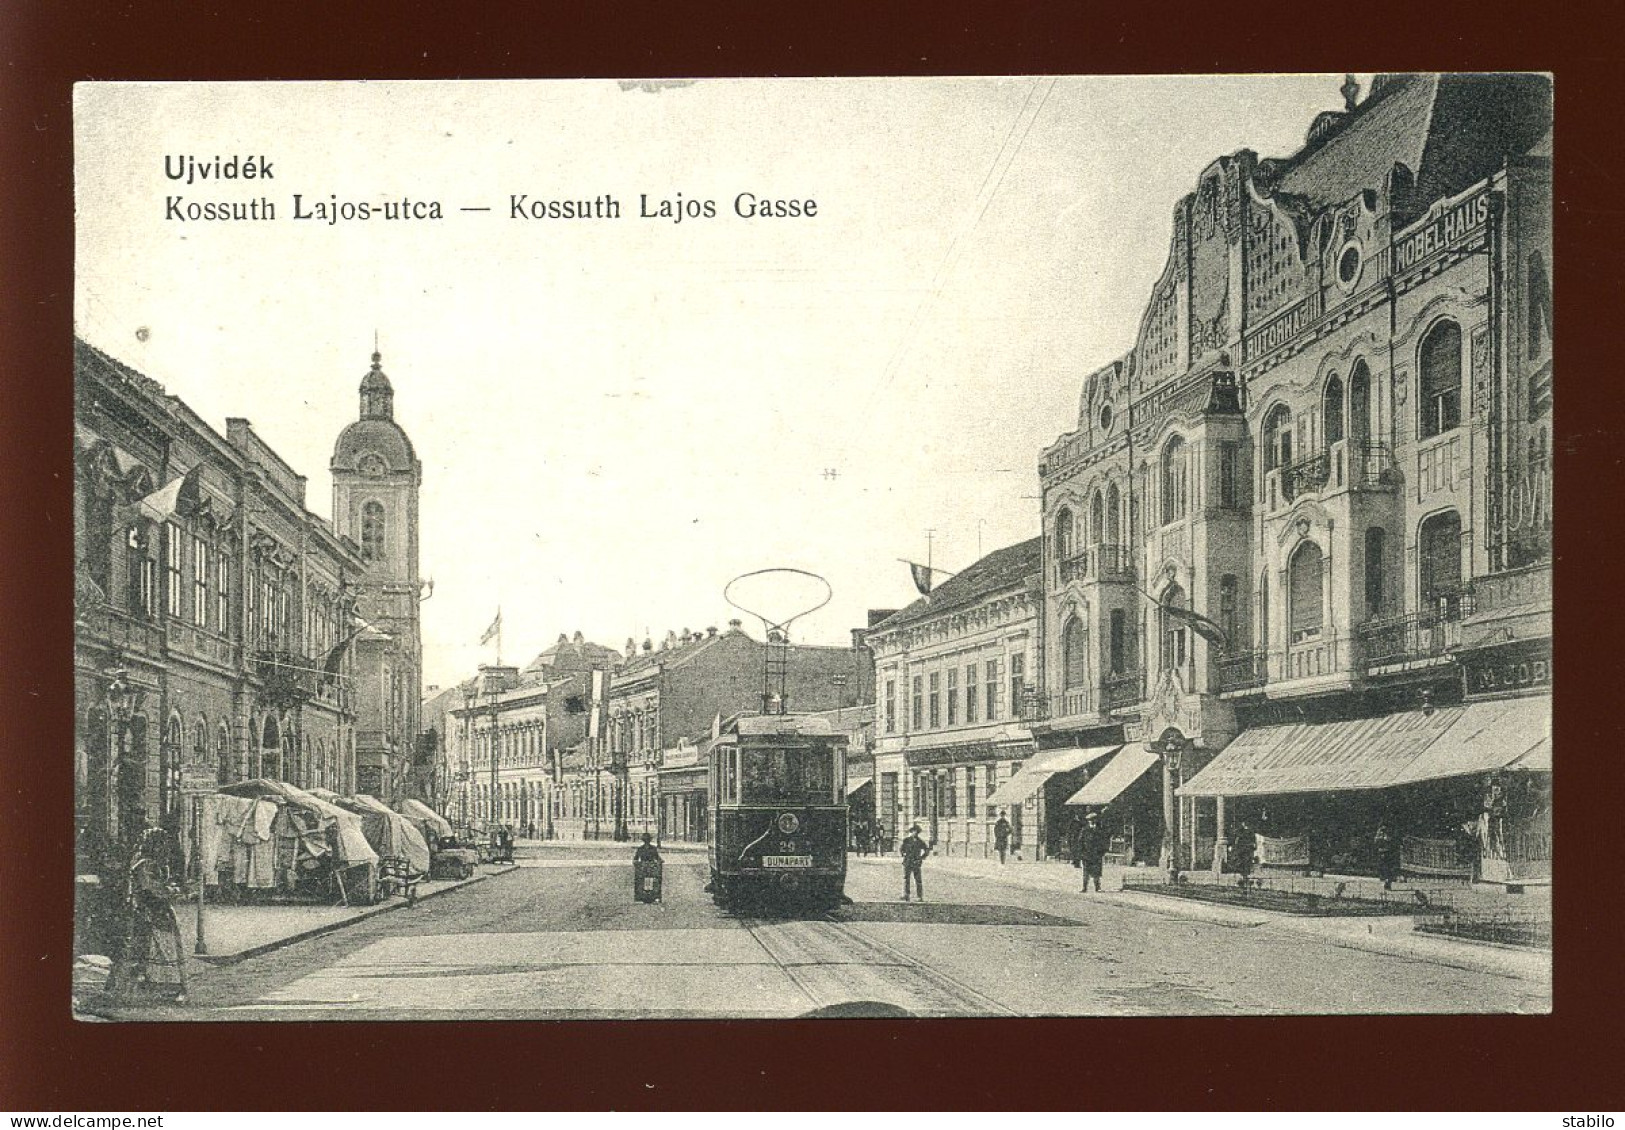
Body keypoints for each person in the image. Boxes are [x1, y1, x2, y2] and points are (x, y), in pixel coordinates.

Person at [105, 828, 189, 1005]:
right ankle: (159, 989)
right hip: (151, 911)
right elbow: (152, 889)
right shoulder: (146, 864)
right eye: (162, 845)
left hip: (144, 909)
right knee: (159, 949)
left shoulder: (140, 860)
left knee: (143, 950)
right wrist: (174, 891)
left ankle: (134, 989)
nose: (165, 849)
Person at [899, 823, 931, 902]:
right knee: (906, 878)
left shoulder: (920, 841)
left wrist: (922, 857)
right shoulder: (906, 840)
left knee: (918, 880)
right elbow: (901, 849)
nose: (915, 833)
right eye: (913, 831)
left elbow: (926, 849)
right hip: (908, 862)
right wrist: (903, 854)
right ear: (911, 832)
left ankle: (919, 896)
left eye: (916, 832)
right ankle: (906, 894)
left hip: (916, 862)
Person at [1077, 810, 1107, 893]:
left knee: (1097, 872)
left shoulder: (1099, 830)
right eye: (1091, 820)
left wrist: (1102, 852)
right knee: (1086, 872)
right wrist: (1081, 853)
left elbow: (1103, 841)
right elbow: (1080, 842)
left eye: (1094, 820)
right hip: (1086, 854)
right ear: (1088, 821)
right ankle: (1084, 887)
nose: (1093, 821)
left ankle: (1097, 887)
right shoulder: (1085, 830)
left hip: (1096, 854)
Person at [1373, 821, 1401, 891]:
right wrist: (1382, 839)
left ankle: (1388, 881)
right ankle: (1386, 880)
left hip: (1390, 852)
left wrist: (1390, 840)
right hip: (1382, 852)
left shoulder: (1391, 832)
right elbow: (1376, 841)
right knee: (1383, 867)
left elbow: (1396, 842)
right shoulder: (1380, 832)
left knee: (1389, 868)